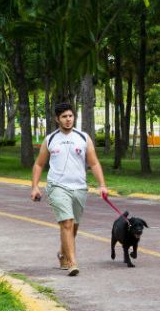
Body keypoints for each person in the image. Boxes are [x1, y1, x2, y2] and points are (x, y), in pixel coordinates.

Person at [30, 103, 110, 276]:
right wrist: (35, 186)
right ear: (57, 119)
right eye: (64, 116)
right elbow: (39, 164)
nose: (68, 119)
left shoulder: (83, 138)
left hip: (79, 187)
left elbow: (94, 163)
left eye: (70, 116)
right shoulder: (50, 139)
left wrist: (102, 185)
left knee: (73, 226)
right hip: (57, 186)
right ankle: (73, 262)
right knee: (66, 223)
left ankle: (63, 253)